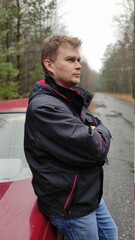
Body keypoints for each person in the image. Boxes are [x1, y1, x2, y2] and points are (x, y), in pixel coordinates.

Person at [24, 35, 118, 240]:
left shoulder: (67, 98)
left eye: (79, 60)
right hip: (71, 206)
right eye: (70, 60)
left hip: (89, 195)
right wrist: (101, 130)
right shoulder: (45, 107)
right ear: (49, 65)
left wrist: (96, 128)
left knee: (111, 234)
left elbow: (94, 127)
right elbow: (96, 147)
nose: (78, 66)